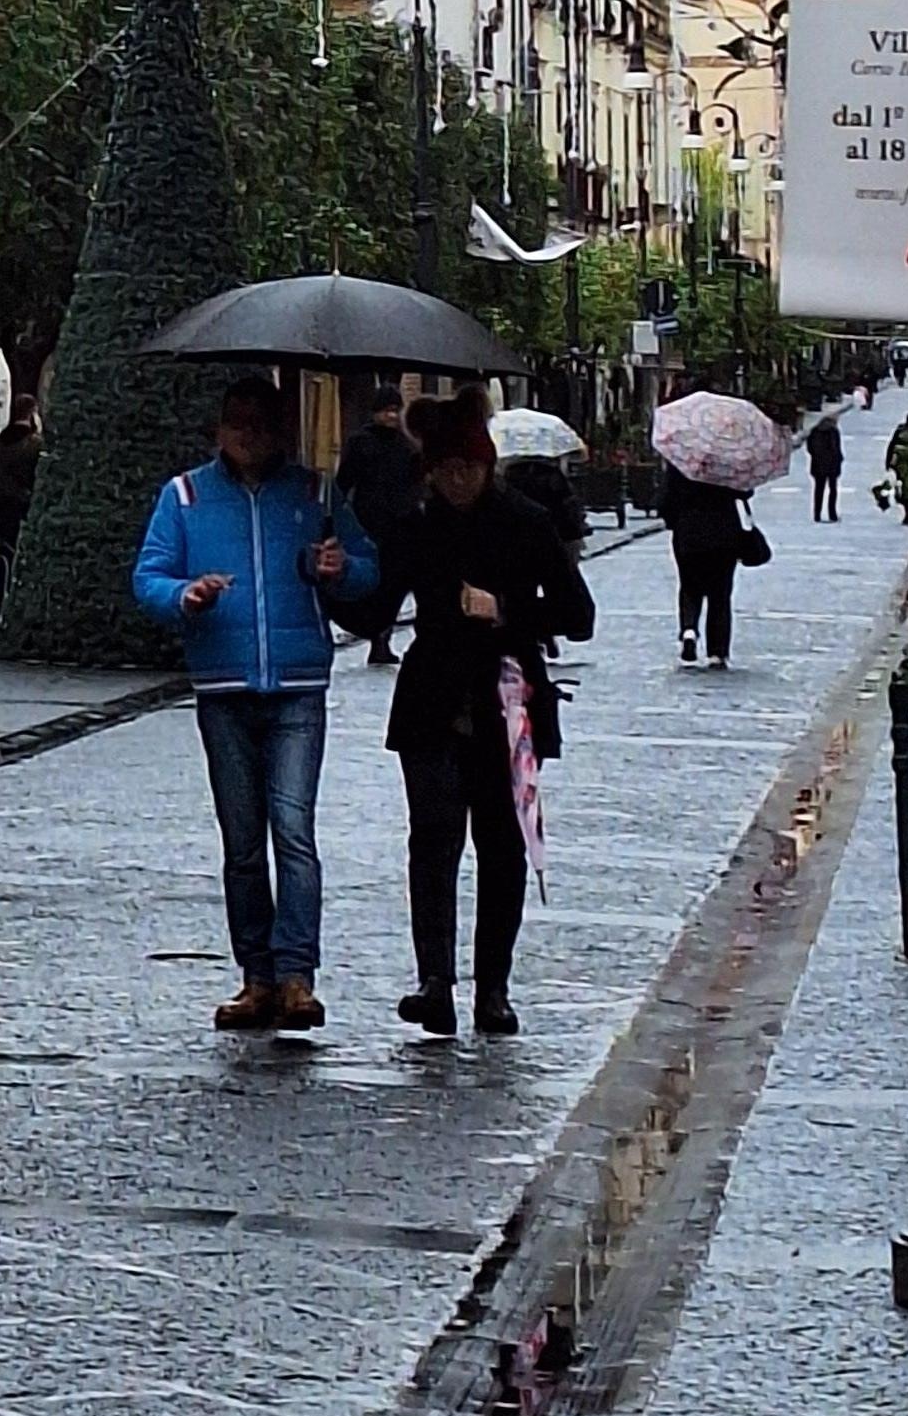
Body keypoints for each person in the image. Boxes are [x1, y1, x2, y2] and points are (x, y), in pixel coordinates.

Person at [132, 378, 375, 1035]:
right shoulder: (183, 497)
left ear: (279, 431)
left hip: (297, 685)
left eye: (260, 423)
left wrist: (339, 567)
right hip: (224, 686)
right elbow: (149, 576)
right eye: (236, 422)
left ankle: (297, 975)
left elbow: (367, 569)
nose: (248, 434)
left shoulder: (313, 495)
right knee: (242, 844)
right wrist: (185, 595)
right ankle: (256, 976)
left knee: (293, 834)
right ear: (218, 430)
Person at [385, 398, 594, 1039]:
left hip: (506, 701)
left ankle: (493, 988)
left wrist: (505, 610)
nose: (456, 480)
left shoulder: (526, 521)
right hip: (432, 701)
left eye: (467, 468)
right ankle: (435, 982)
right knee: (434, 840)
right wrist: (324, 571)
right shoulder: (417, 523)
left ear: (486, 465)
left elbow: (577, 615)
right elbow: (373, 607)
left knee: (501, 848)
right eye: (445, 469)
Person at [334, 381, 425, 667]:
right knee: (373, 585)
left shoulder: (406, 445)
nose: (392, 416)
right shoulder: (360, 442)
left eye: (396, 410)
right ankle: (377, 636)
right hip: (369, 525)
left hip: (403, 527)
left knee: (395, 585)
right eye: (386, 410)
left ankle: (382, 637)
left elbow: (417, 481)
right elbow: (343, 481)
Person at [661, 456, 749, 664]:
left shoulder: (681, 460)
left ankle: (689, 629)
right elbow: (744, 492)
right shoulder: (727, 459)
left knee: (689, 585)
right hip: (724, 532)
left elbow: (666, 500)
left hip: (688, 532)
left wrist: (674, 521)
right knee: (720, 592)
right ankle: (717, 651)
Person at [0, 390, 43, 601]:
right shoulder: (35, 445)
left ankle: (3, 597)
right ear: (32, 413)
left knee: (5, 555)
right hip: (25, 506)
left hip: (2, 507)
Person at [803, 404, 844, 525]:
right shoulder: (833, 432)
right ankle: (832, 513)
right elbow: (836, 448)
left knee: (818, 490)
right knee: (833, 490)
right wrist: (838, 459)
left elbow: (810, 448)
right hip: (832, 465)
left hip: (817, 465)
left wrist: (816, 456)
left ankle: (817, 513)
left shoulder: (815, 431)